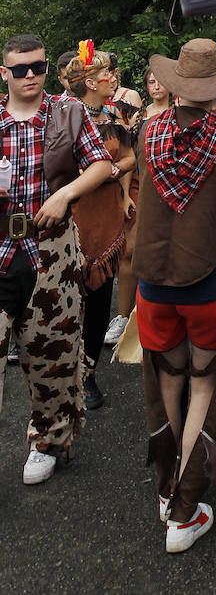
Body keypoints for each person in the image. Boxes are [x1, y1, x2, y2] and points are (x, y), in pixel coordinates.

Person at [134, 39, 216, 553]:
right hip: (212, 282)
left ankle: (167, 491)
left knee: (168, 382)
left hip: (155, 281)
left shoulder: (145, 132)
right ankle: (184, 511)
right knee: (204, 387)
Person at [0, 33, 112, 484]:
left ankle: (47, 439)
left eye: (38, 67)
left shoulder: (69, 112)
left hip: (51, 248)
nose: (31, 76)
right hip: (2, 248)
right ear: (4, 73)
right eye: (21, 69)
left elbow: (101, 164)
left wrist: (65, 194)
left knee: (53, 351)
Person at [63, 43, 135, 410]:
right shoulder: (62, 118)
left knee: (99, 300)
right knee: (68, 300)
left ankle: (89, 372)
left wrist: (110, 173)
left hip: (106, 214)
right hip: (72, 217)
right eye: (104, 74)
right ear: (89, 82)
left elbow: (129, 157)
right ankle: (64, 373)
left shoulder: (116, 116)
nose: (112, 78)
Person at [105, 64, 174, 349]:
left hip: (170, 189)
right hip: (139, 187)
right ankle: (123, 315)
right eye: (151, 82)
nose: (156, 86)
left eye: (160, 81)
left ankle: (162, 313)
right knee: (129, 251)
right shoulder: (139, 117)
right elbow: (129, 156)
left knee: (167, 250)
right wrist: (126, 194)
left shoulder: (179, 113)